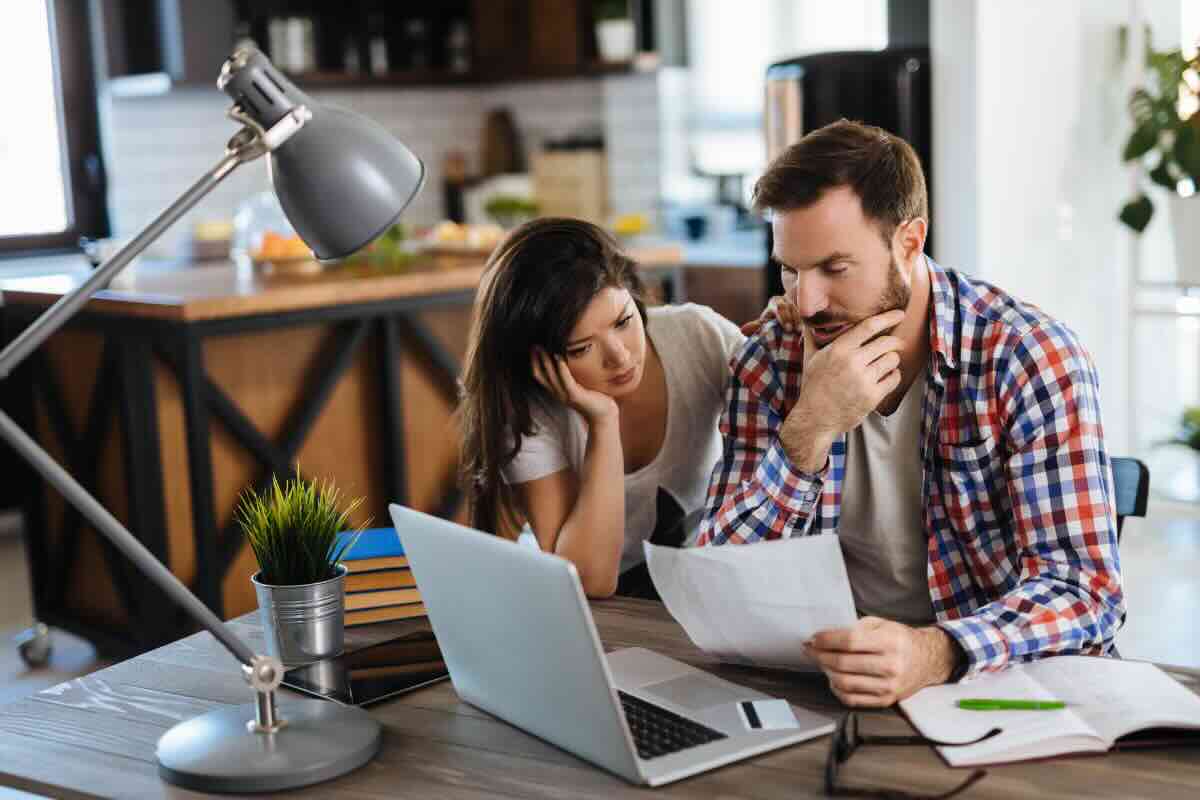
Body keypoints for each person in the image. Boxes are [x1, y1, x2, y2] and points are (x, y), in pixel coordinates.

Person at [699, 120, 1124, 707]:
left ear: (909, 240)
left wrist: (935, 651)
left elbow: (1084, 592)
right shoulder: (769, 361)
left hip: (996, 684)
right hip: (831, 686)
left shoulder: (1028, 359)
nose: (807, 302)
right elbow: (716, 586)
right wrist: (809, 429)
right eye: (790, 271)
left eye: (833, 268)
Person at [459, 217, 744, 597]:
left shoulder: (698, 336)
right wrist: (603, 421)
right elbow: (588, 580)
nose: (620, 356)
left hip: (696, 590)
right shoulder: (528, 412)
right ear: (539, 358)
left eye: (623, 321)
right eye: (582, 348)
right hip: (588, 607)